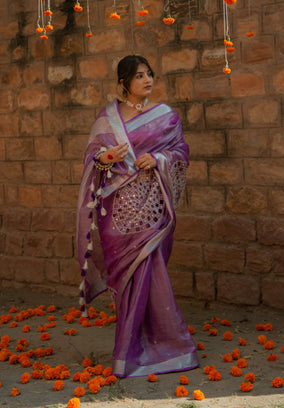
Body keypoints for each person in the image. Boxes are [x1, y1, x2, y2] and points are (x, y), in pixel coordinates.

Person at [76, 54, 199, 378]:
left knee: (150, 269)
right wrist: (106, 156)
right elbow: (94, 159)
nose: (147, 80)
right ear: (124, 83)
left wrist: (158, 158)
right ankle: (133, 348)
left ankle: (165, 347)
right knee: (130, 277)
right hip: (117, 213)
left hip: (151, 207)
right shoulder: (107, 119)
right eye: (139, 76)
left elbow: (181, 152)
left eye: (150, 74)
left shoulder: (167, 117)